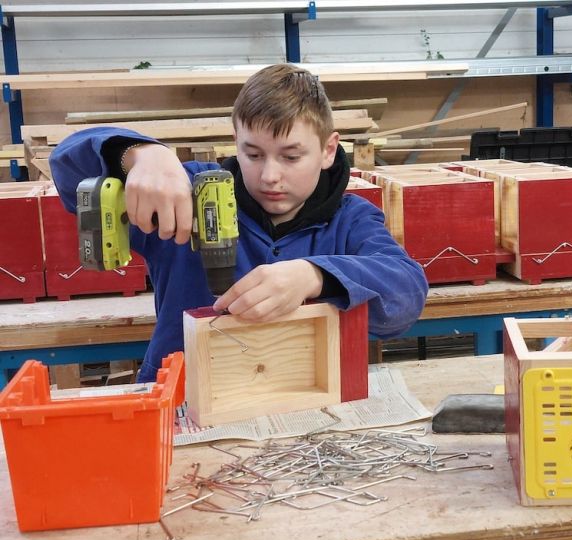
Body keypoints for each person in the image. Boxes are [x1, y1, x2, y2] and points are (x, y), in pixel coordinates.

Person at [50, 63, 429, 383]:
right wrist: (139, 155)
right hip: (182, 397)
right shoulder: (187, 194)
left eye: (292, 156)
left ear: (328, 150)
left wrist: (314, 275)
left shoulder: (351, 219)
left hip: (308, 404)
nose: (270, 176)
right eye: (253, 154)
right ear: (236, 141)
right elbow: (66, 169)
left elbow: (406, 294)